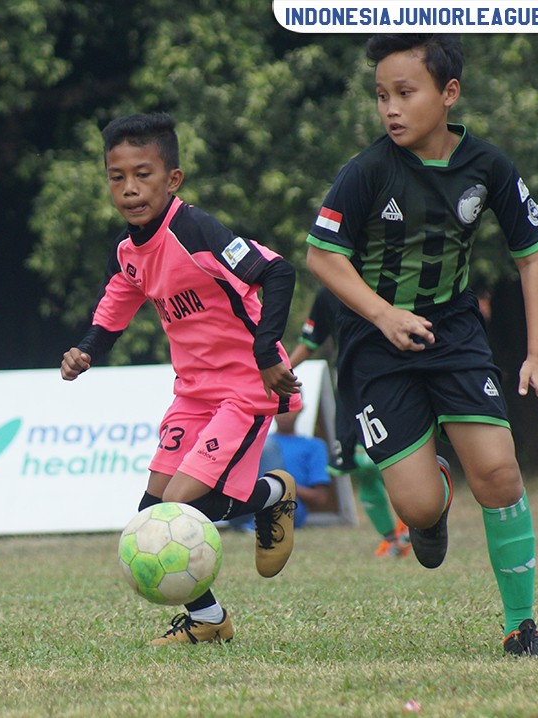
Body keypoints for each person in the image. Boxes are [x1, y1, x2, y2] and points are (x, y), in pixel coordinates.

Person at [305, 34, 538, 658]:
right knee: (419, 507)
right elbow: (323, 257)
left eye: (405, 92)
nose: (390, 108)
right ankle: (432, 502)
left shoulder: (489, 166)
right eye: (381, 96)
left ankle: (521, 628)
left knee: (502, 473)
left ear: (449, 94)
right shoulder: (367, 170)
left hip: (453, 332)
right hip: (375, 345)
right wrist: (382, 314)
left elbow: (531, 253)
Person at [61, 112, 301, 645]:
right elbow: (113, 309)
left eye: (142, 174)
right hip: (192, 395)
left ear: (173, 180)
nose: (129, 189)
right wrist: (85, 350)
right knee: (152, 514)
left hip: (246, 388)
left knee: (184, 507)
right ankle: (209, 620)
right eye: (116, 177)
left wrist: (266, 353)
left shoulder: (195, 230)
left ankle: (271, 496)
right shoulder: (130, 252)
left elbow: (277, 271)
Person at [289, 287, 411, 558]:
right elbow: (310, 341)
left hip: (389, 379)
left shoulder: (384, 280)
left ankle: (415, 520)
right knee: (360, 466)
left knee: (381, 458)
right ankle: (391, 540)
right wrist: (282, 371)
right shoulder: (328, 293)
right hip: (348, 387)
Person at [259, 406, 335, 529]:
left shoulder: (314, 446)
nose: (285, 414)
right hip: (253, 506)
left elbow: (320, 498)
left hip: (290, 510)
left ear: (300, 408)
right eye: (281, 407)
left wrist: (283, 485)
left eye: (290, 408)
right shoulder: (258, 442)